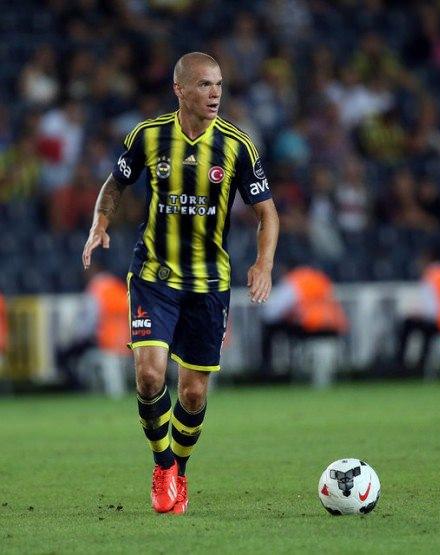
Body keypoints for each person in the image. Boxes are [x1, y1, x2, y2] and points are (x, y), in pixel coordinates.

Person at [82, 52, 279, 514]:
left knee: (192, 393)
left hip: (209, 284)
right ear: (180, 90)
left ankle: (180, 473)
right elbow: (115, 184)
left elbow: (267, 213)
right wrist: (99, 223)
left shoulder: (237, 146)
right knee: (150, 376)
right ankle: (162, 466)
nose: (215, 93)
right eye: (205, 84)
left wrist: (264, 264)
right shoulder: (148, 136)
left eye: (219, 85)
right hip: (154, 276)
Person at [260, 265, 348, 376]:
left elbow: (271, 312)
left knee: (270, 328)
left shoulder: (294, 281)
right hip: (333, 326)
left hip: (310, 325)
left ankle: (268, 369)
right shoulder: (320, 278)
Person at [57, 261, 129, 391]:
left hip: (105, 343)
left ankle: (77, 388)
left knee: (65, 353)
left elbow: (89, 322)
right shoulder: (118, 287)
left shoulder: (96, 289)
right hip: (127, 342)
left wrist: (77, 337)